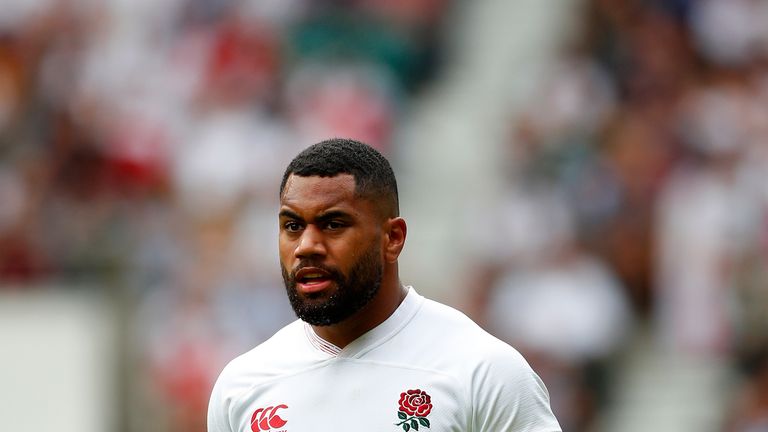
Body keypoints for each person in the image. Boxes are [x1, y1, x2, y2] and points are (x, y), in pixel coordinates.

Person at [207, 138, 561, 432]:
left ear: (393, 238)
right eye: (292, 226)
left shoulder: (484, 373)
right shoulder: (241, 386)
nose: (306, 247)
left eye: (333, 224)